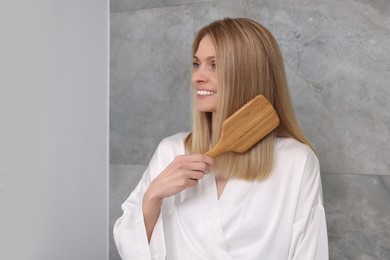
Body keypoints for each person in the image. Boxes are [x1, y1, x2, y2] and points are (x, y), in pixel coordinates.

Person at [114, 17, 328, 260]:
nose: (197, 77)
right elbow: (129, 245)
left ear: (248, 74)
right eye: (196, 64)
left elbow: (310, 251)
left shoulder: (296, 161)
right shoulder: (172, 151)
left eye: (214, 65)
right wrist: (154, 194)